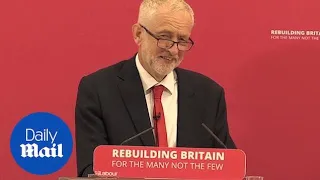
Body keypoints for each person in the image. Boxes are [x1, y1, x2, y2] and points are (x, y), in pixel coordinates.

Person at [75, 0, 236, 177]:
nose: (174, 50)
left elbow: (228, 167)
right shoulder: (98, 89)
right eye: (165, 37)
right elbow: (90, 170)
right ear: (138, 34)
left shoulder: (209, 95)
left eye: (182, 40)